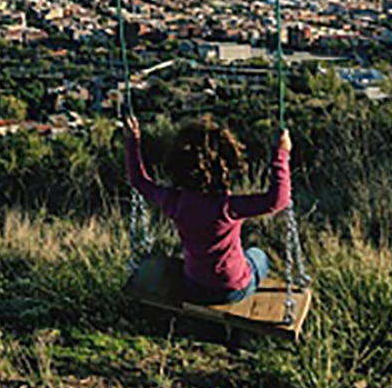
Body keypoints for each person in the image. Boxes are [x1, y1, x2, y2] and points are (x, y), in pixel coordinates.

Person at [124, 113, 291, 304]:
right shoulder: (228, 207)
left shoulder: (174, 202)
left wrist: (132, 140)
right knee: (258, 255)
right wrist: (281, 153)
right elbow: (278, 200)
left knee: (239, 257)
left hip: (194, 286)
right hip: (232, 289)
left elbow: (139, 181)